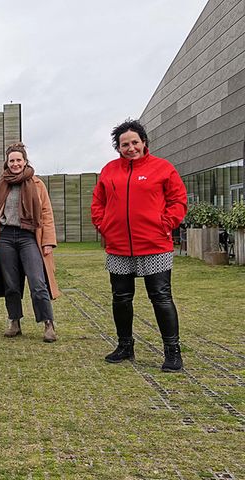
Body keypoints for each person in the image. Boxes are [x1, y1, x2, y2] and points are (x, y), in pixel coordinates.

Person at [92, 119, 187, 372]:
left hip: (155, 244)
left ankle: (172, 351)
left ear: (144, 143)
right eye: (125, 144)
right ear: (118, 147)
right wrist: (104, 225)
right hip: (118, 246)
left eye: (135, 142)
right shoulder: (109, 171)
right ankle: (125, 346)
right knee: (121, 298)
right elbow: (97, 203)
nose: (130, 147)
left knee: (161, 297)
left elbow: (178, 200)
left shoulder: (163, 168)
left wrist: (165, 223)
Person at [0, 142, 60, 342]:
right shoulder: (1, 185)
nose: (15, 164)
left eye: (18, 160)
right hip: (5, 237)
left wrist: (48, 241)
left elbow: (47, 213)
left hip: (29, 237)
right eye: (11, 160)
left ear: (25, 161)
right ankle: (14, 320)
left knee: (37, 282)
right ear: (7, 162)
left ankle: (48, 323)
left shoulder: (37, 184)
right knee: (11, 284)